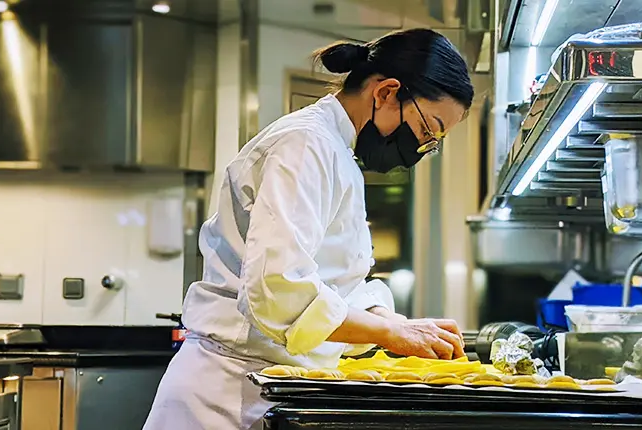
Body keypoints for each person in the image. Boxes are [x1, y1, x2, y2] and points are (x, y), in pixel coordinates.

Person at [143, 28, 475, 430]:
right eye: (427, 130)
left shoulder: (336, 150)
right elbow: (278, 287)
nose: (421, 147)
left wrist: (397, 323)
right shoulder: (305, 144)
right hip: (224, 395)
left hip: (263, 387)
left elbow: (334, 287)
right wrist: (389, 332)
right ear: (387, 92)